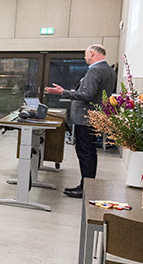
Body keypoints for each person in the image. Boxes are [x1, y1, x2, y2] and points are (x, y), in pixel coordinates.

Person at [45, 44, 117, 198]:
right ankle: (87, 185)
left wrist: (62, 92)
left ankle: (85, 188)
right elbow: (91, 93)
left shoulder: (95, 70)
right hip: (94, 117)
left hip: (85, 118)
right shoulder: (109, 71)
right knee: (90, 153)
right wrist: (67, 91)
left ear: (92, 53)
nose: (85, 58)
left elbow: (86, 94)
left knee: (85, 153)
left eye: (86, 54)